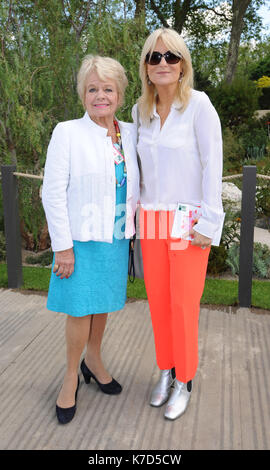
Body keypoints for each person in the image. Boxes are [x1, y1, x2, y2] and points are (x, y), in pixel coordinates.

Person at [132, 28, 224, 421]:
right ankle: (166, 370)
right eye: (155, 57)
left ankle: (185, 380)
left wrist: (210, 220)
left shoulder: (200, 106)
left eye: (171, 56)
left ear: (183, 63)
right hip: (151, 219)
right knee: (159, 305)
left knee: (183, 305)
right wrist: (129, 218)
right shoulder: (140, 111)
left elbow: (212, 164)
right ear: (146, 68)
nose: (163, 63)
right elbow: (137, 172)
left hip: (187, 221)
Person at [42, 55, 139, 424]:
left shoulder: (129, 132)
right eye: (93, 89)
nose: (101, 96)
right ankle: (70, 377)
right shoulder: (67, 132)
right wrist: (62, 246)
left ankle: (94, 360)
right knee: (80, 308)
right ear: (83, 93)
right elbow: (52, 193)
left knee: (102, 305)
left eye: (108, 89)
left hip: (115, 236)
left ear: (120, 94)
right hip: (79, 239)